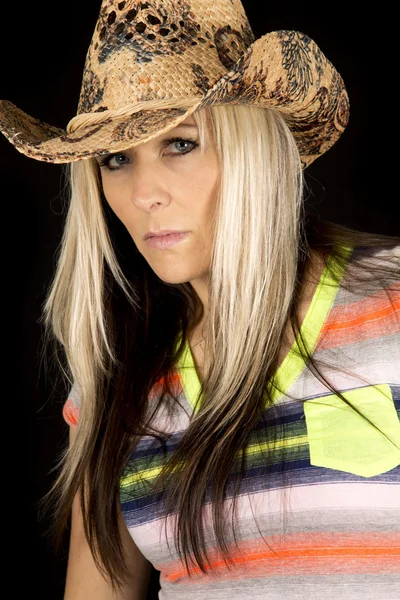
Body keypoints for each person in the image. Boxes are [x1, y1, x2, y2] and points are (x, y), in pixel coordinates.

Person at [1, 1, 399, 599]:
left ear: (253, 146)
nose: (143, 194)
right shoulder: (117, 382)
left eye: (180, 144)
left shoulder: (392, 305)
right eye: (116, 159)